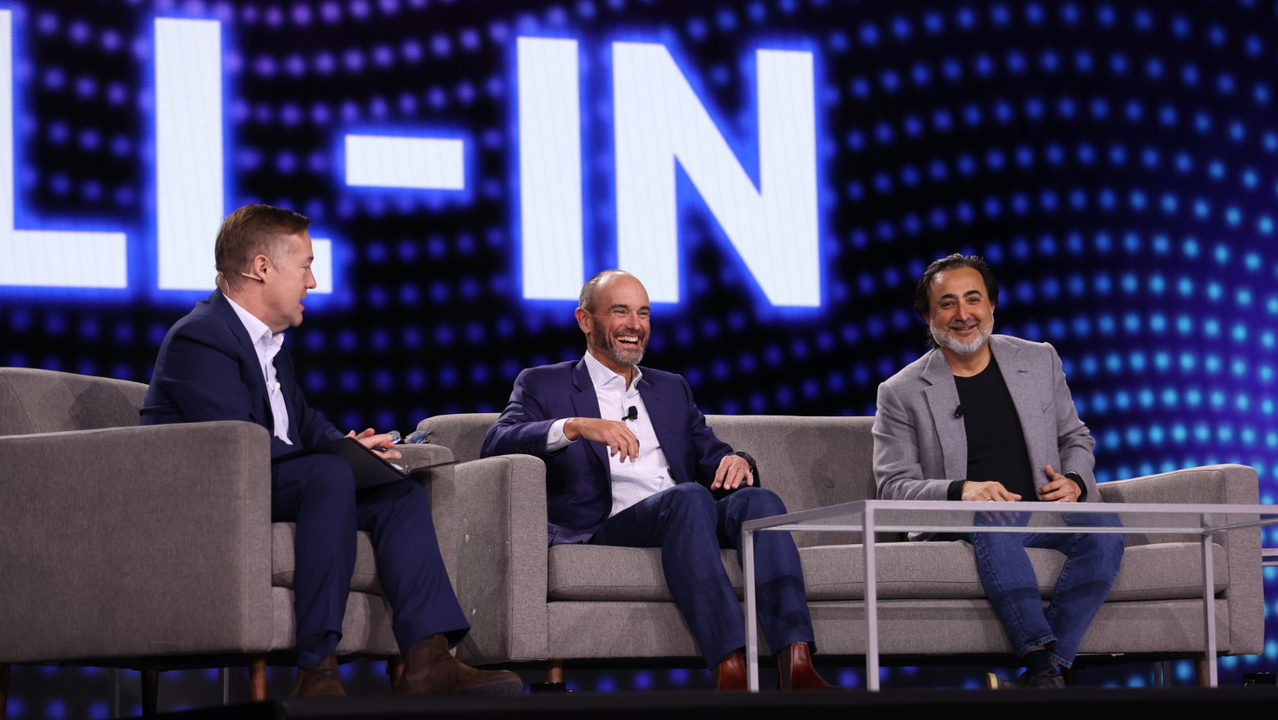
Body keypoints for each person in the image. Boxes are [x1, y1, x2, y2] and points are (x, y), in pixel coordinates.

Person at [141, 204, 521, 697]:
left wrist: (349, 449)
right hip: (215, 495)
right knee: (329, 475)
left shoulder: (271, 347)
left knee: (399, 494)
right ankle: (316, 667)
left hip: (272, 480)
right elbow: (239, 443)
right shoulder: (201, 338)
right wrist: (335, 461)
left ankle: (427, 661)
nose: (313, 282)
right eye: (305, 266)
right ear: (262, 268)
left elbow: (303, 424)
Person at [481, 270, 838, 691]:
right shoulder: (544, 383)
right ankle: (730, 667)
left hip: (689, 516)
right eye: (620, 311)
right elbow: (496, 443)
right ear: (585, 320)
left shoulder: (671, 388)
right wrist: (575, 425)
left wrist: (738, 460)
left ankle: (797, 663)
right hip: (610, 525)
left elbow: (711, 453)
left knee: (760, 502)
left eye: (644, 313)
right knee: (687, 498)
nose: (635, 325)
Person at [872, 253, 1124, 689]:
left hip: (1045, 511)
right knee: (994, 518)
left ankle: (1045, 675)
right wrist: (961, 490)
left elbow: (1075, 438)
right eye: (947, 303)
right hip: (966, 520)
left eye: (974, 299)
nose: (963, 314)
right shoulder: (901, 392)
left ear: (991, 306)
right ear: (928, 317)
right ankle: (1043, 666)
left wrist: (1075, 482)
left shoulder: (1039, 360)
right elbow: (893, 486)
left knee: (1105, 528)